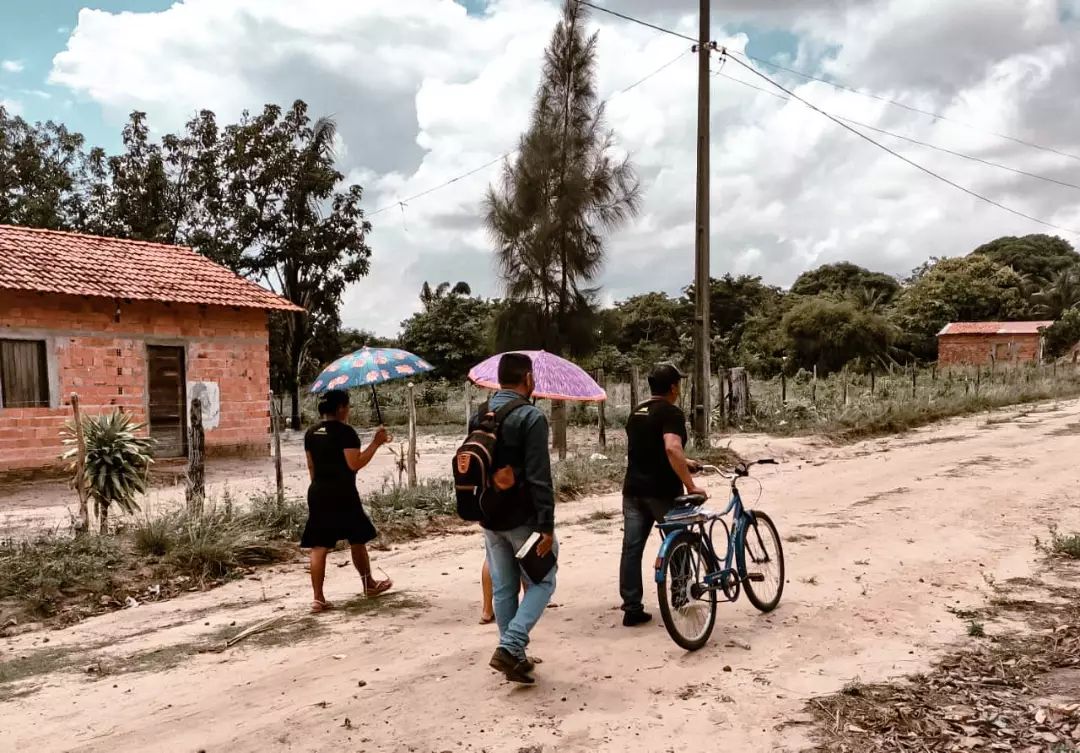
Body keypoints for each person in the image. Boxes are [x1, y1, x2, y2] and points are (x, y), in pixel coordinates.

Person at [481, 352, 557, 684]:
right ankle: (511, 646)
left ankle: (514, 658)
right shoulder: (531, 417)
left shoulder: (481, 414)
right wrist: (547, 525)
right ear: (527, 378)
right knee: (544, 580)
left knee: (504, 588)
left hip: (489, 515)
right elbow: (540, 477)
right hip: (523, 517)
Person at [619, 363, 707, 627]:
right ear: (673, 387)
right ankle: (681, 597)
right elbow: (670, 447)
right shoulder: (671, 412)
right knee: (678, 543)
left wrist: (686, 460)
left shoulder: (637, 412)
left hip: (633, 490)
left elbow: (652, 448)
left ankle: (632, 607)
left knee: (632, 549)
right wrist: (691, 485)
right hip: (662, 493)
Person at [302, 389, 393, 613]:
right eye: (348, 406)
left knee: (319, 545)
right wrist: (376, 443)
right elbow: (355, 463)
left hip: (318, 491)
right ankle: (368, 583)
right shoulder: (346, 433)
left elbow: (311, 466)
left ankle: (318, 598)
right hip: (343, 492)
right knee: (357, 538)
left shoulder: (311, 433)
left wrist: (319, 487)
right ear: (341, 408)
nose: (348, 410)